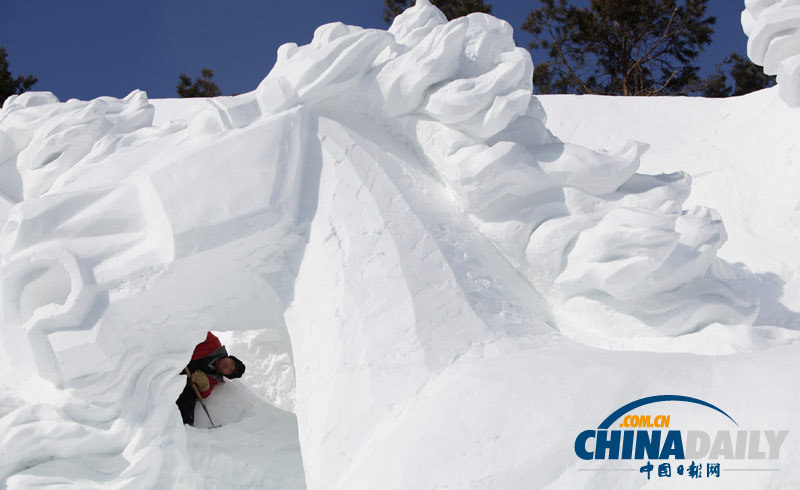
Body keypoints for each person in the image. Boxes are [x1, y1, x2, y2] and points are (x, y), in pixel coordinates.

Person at [176, 331, 246, 426]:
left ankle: (185, 425)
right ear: (230, 358)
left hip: (176, 375)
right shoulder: (213, 343)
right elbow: (199, 329)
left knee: (191, 393)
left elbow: (204, 394)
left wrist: (204, 385)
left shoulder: (213, 379)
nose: (228, 366)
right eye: (232, 363)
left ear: (226, 375)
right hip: (174, 352)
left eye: (230, 371)